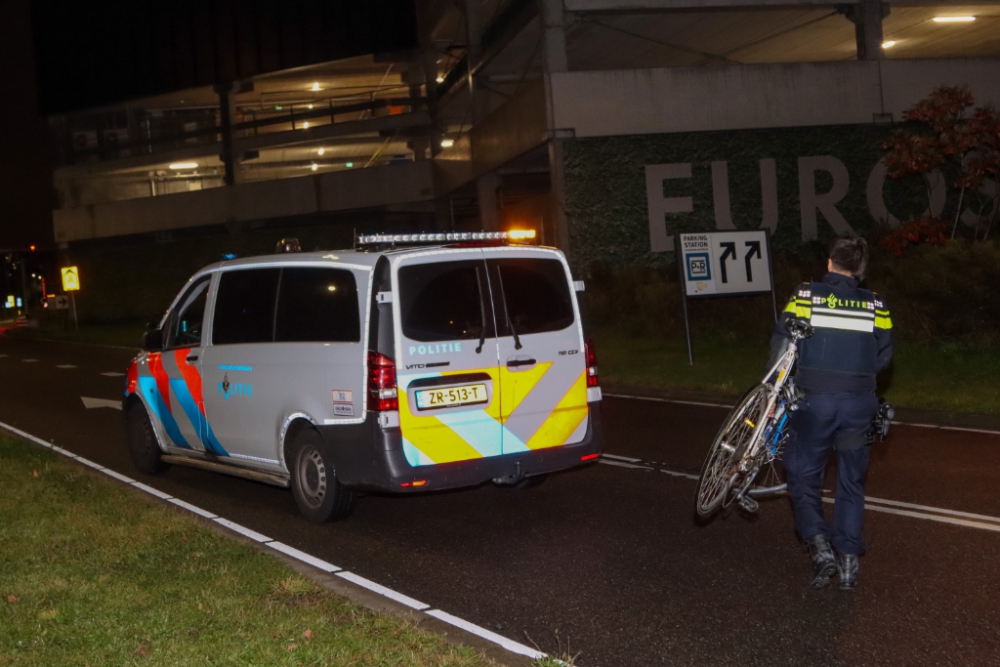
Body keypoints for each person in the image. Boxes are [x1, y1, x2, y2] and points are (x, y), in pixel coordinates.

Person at [770, 235, 893, 591]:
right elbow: (884, 354)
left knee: (802, 474)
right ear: (861, 270)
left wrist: (773, 388)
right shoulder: (876, 304)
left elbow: (783, 340)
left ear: (829, 263)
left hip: (816, 402)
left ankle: (820, 546)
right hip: (859, 404)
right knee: (851, 481)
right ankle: (849, 563)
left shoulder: (807, 294)